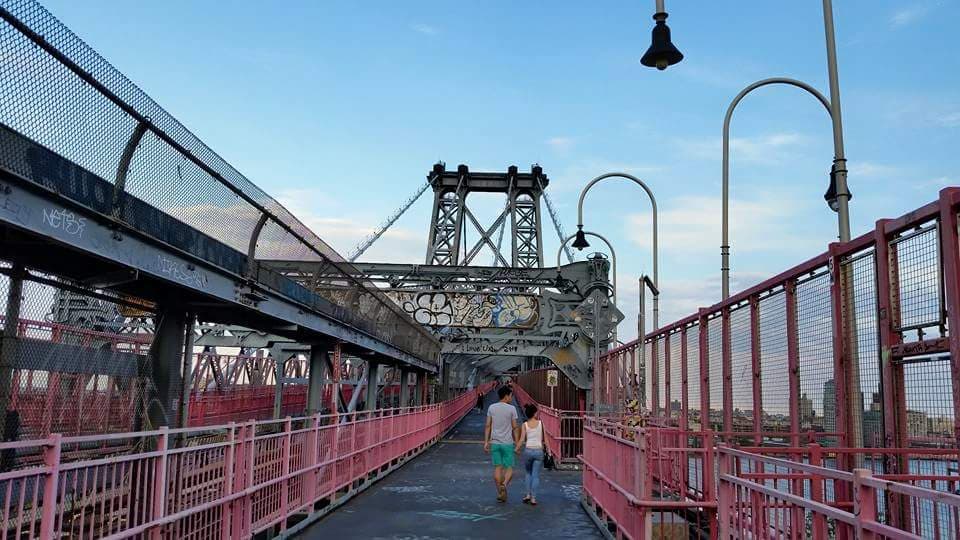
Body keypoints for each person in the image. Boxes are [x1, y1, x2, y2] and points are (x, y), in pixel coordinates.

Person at [483, 385, 519, 502]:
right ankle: (504, 484)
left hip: (495, 442)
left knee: (497, 468)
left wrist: (486, 442)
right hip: (507, 443)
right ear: (507, 396)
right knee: (509, 468)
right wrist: (517, 443)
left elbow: (488, 425)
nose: (511, 398)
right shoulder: (512, 409)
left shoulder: (492, 408)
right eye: (511, 395)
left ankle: (500, 493)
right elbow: (514, 427)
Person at [515, 403, 544, 506]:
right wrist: (549, 451)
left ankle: (527, 495)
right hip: (538, 451)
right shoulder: (541, 424)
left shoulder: (525, 425)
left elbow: (522, 439)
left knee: (528, 473)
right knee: (535, 475)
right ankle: (533, 498)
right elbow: (546, 440)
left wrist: (516, 449)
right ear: (535, 413)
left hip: (528, 450)